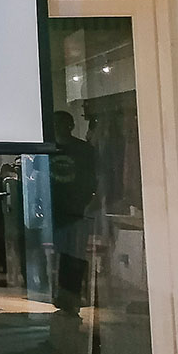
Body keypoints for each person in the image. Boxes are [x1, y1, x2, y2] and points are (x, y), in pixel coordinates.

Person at [48, 110, 97, 316]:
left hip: (78, 209)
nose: (58, 128)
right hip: (53, 209)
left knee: (75, 254)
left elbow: (93, 179)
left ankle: (72, 296)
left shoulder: (84, 150)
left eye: (61, 124)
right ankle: (60, 294)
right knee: (58, 253)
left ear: (70, 126)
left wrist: (90, 203)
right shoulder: (46, 148)